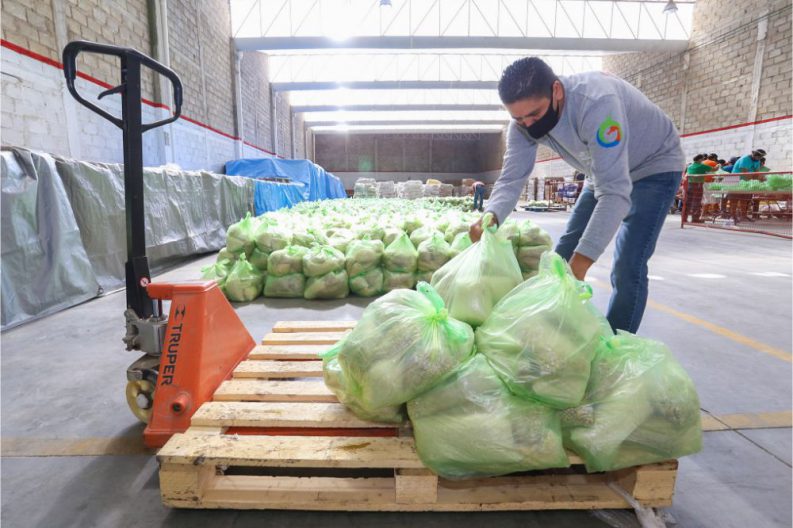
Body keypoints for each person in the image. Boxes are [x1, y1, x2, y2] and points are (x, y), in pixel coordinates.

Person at [470, 57, 684, 333]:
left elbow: (615, 192)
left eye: (534, 114)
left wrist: (581, 265)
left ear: (556, 91)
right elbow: (512, 178)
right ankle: (549, 330)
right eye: (518, 118)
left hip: (653, 167)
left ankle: (617, 345)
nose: (528, 124)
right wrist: (492, 216)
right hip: (600, 171)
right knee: (561, 257)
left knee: (627, 263)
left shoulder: (597, 103)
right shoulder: (522, 124)